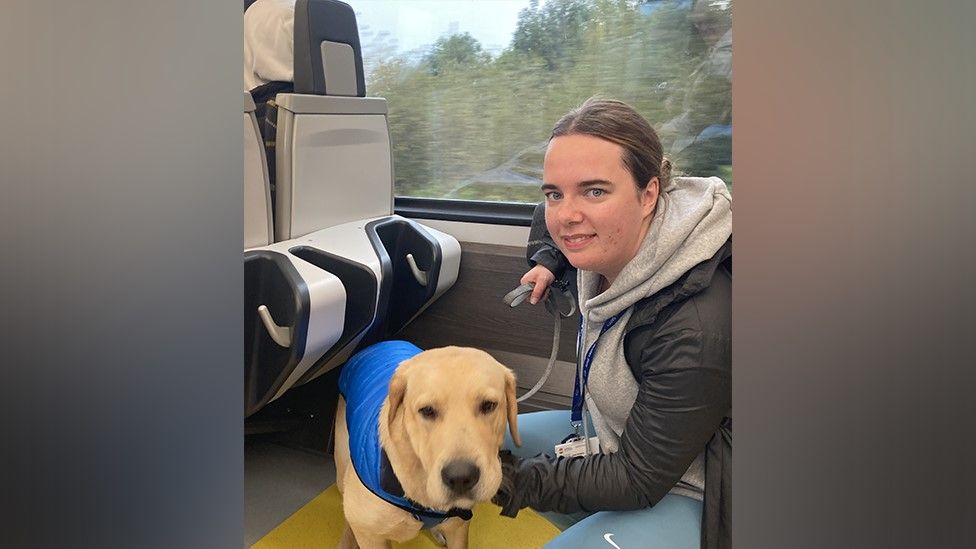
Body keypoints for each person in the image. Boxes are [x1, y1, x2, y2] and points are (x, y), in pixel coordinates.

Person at [494, 98, 731, 549]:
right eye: (554, 194)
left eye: (595, 191)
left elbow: (637, 478)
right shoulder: (608, 239)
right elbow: (558, 221)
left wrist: (510, 483)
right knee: (478, 438)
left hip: (691, 489)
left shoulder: (695, 325)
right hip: (612, 434)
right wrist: (549, 261)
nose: (567, 215)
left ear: (648, 195)